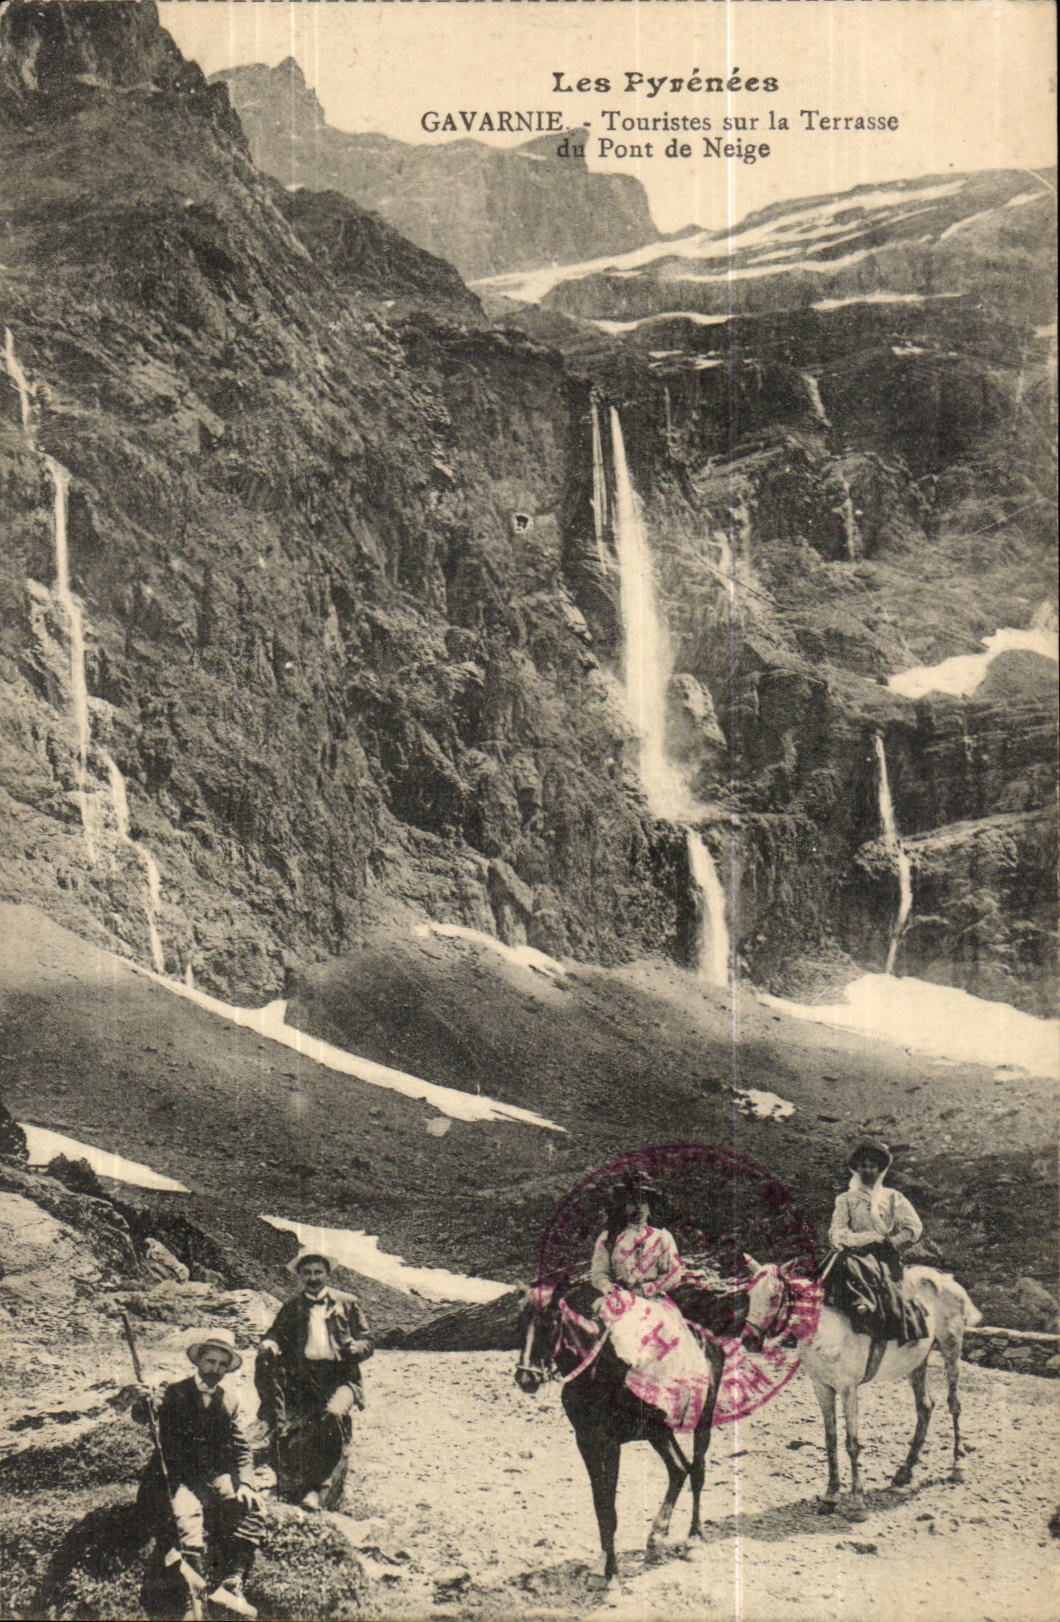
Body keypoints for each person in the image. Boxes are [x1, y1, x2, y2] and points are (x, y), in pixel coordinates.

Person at [132, 1329, 262, 1620]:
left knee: (252, 1509)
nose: (215, 1369)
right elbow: (146, 1417)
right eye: (210, 1361)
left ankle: (231, 1584)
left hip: (213, 1476)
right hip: (175, 1477)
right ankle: (193, 1603)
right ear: (199, 1361)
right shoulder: (173, 1391)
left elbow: (241, 1448)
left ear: (228, 1369)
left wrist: (247, 1485)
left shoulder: (229, 1400)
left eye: (221, 1365)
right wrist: (142, 1401)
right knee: (187, 1523)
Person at [588, 1177, 713, 1432]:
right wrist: (607, 1287)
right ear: (624, 1207)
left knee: (669, 1338)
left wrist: (650, 1287)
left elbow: (675, 1271)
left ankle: (660, 1399)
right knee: (603, 1329)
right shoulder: (609, 1238)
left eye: (644, 1204)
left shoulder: (662, 1238)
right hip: (621, 1297)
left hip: (653, 1299)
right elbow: (598, 1273)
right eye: (633, 1203)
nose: (638, 1210)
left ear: (650, 1209)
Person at [255, 1248, 373, 1511]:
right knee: (306, 1431)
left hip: (342, 1378)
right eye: (307, 1272)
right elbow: (273, 1334)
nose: (313, 1277)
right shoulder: (292, 1308)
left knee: (332, 1415)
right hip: (306, 1381)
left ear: (328, 1274)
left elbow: (368, 1341)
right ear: (299, 1276)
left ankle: (323, 1489)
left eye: (318, 1271)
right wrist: (270, 1343)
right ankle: (301, 1487)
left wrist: (358, 1348)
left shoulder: (348, 1302)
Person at [822, 1139, 927, 1345]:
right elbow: (837, 1228)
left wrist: (892, 1242)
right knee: (827, 1272)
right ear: (857, 1168)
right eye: (863, 1166)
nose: (867, 1170)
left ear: (879, 1169)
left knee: (893, 1289)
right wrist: (848, 1239)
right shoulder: (846, 1199)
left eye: (872, 1166)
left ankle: (877, 1315)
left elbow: (913, 1226)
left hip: (882, 1252)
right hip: (853, 1249)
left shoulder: (891, 1197)